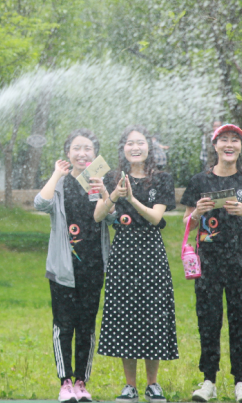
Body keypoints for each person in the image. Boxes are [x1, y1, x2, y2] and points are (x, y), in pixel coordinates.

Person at [181, 124, 242, 403]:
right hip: (208, 260)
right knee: (208, 320)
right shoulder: (199, 181)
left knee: (241, 320)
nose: (229, 145)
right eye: (224, 140)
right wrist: (197, 213)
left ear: (241, 147)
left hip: (240, 260)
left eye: (234, 140)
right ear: (215, 145)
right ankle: (208, 380)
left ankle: (241, 381)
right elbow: (187, 224)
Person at [94, 125, 178, 403]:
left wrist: (131, 198)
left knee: (153, 315)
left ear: (149, 147)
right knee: (125, 316)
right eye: (129, 143)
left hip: (151, 251)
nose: (135, 147)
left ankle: (153, 384)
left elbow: (156, 218)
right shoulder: (112, 177)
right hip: (123, 251)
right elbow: (98, 215)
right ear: (123, 149)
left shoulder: (162, 179)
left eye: (140, 142)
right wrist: (115, 195)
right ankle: (129, 386)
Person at [34, 129, 111, 403]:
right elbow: (40, 203)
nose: (82, 153)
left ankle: (81, 382)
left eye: (87, 148)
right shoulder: (60, 183)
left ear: (95, 154)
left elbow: (113, 217)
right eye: (76, 148)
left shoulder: (101, 182)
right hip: (63, 270)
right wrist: (57, 174)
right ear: (68, 153)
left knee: (87, 326)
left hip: (93, 268)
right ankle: (65, 382)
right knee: (63, 326)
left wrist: (104, 190)